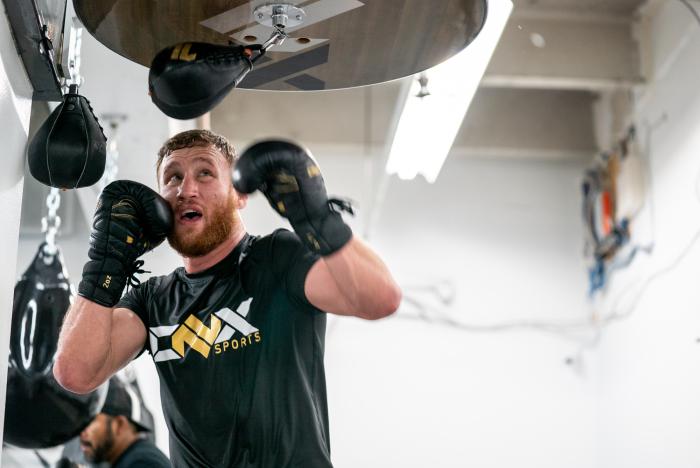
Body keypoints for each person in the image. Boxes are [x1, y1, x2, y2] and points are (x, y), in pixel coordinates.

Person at [54, 129, 401, 467]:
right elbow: (76, 373)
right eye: (172, 178)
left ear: (240, 195)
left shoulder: (278, 259)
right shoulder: (152, 300)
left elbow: (380, 299)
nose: (186, 189)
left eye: (205, 173)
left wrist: (318, 220)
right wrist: (104, 264)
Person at [79, 379, 170, 467]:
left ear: (119, 424)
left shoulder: (142, 462)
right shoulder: (136, 457)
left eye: (90, 421)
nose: (81, 431)